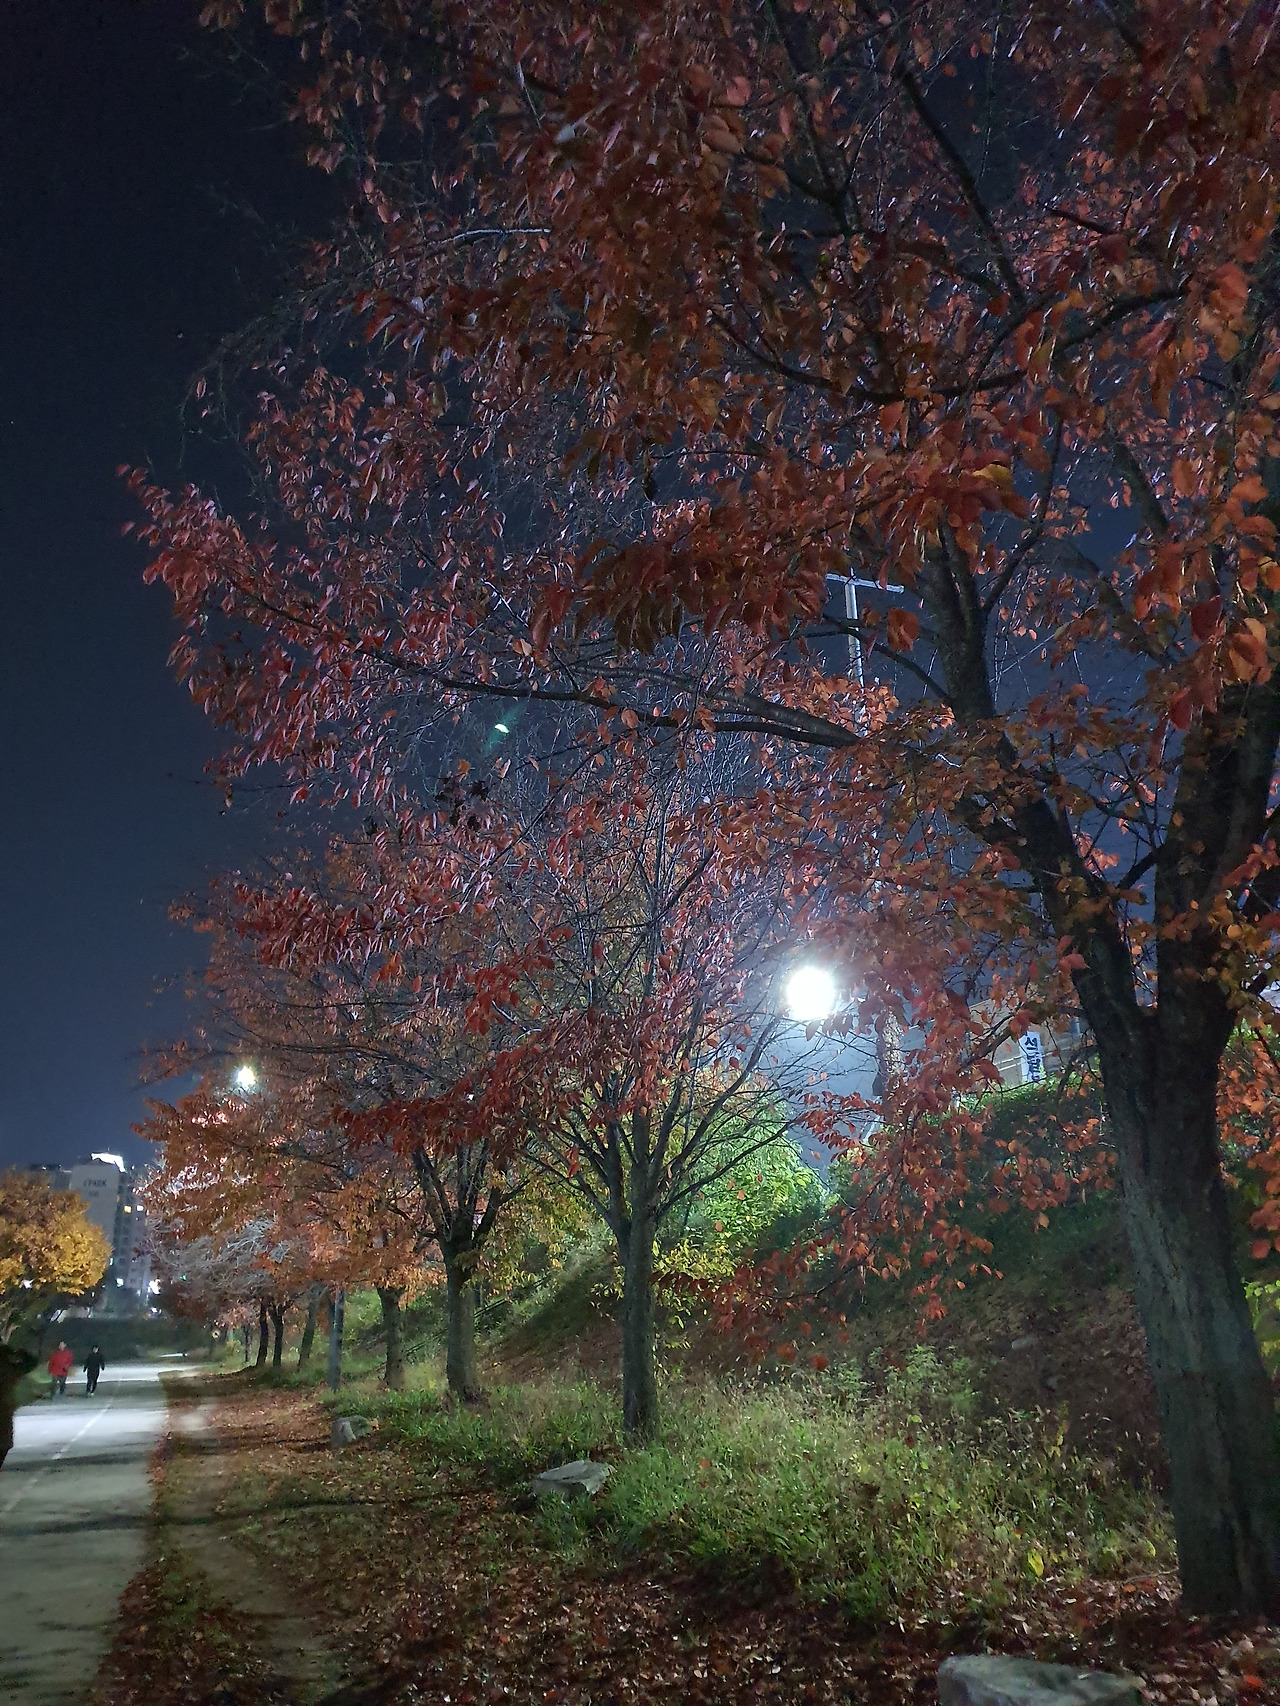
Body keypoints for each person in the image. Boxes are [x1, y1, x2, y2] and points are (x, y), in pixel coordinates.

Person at [0, 1342, 38, 1467]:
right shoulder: (10, 1369)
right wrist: (19, 1352)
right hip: (4, 1411)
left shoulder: (9, 1368)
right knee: (3, 1444)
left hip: (5, 1410)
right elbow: (32, 1362)